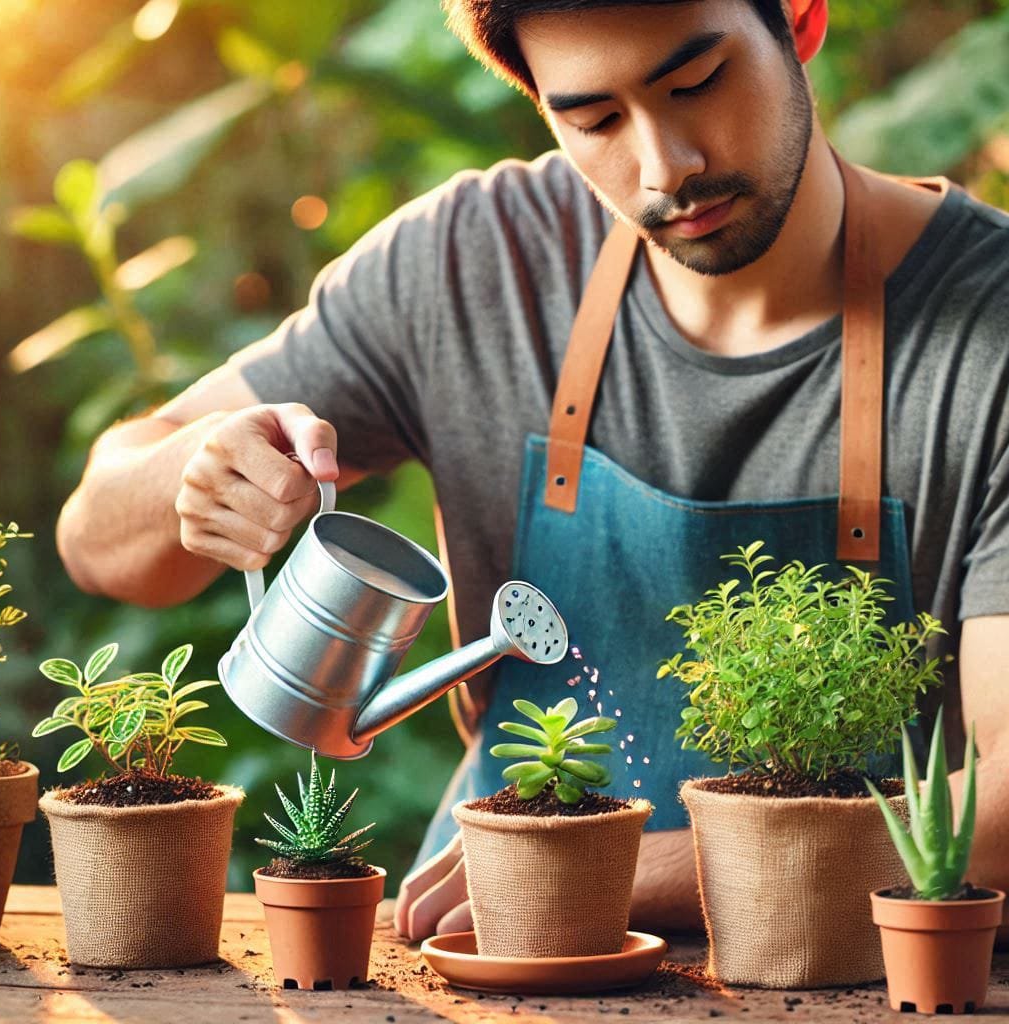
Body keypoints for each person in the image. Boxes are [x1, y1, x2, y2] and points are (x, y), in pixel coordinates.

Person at [56, 0, 1009, 942]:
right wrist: (199, 469)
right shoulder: (473, 263)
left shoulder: (989, 331)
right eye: (594, 119)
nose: (663, 164)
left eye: (698, 82)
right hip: (498, 952)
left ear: (799, 20)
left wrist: (609, 869)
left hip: (854, 973)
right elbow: (101, 543)